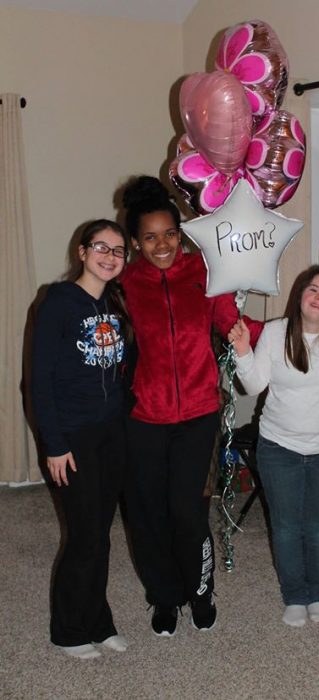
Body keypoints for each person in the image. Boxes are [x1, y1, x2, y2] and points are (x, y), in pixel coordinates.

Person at [120, 176, 263, 637]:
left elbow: (232, 324)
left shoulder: (203, 272)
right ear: (135, 242)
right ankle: (164, 597)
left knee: (186, 512)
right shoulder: (125, 282)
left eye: (169, 234)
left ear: (180, 234)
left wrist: (288, 333)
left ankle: (200, 591)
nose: (162, 244)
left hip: (198, 413)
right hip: (143, 417)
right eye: (149, 237)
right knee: (147, 514)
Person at [31, 219, 132, 659]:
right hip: (71, 436)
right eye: (101, 247)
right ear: (82, 251)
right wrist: (54, 443)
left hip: (111, 434)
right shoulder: (58, 301)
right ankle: (68, 629)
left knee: (101, 533)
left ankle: (99, 620)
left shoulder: (116, 302)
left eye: (118, 250)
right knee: (84, 535)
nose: (110, 256)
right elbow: (38, 379)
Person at [228, 265, 319, 628]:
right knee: (286, 525)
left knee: (318, 527)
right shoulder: (277, 332)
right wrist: (244, 351)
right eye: (314, 290)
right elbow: (252, 386)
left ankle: (317, 592)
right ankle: (294, 594)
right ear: (300, 295)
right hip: (279, 448)